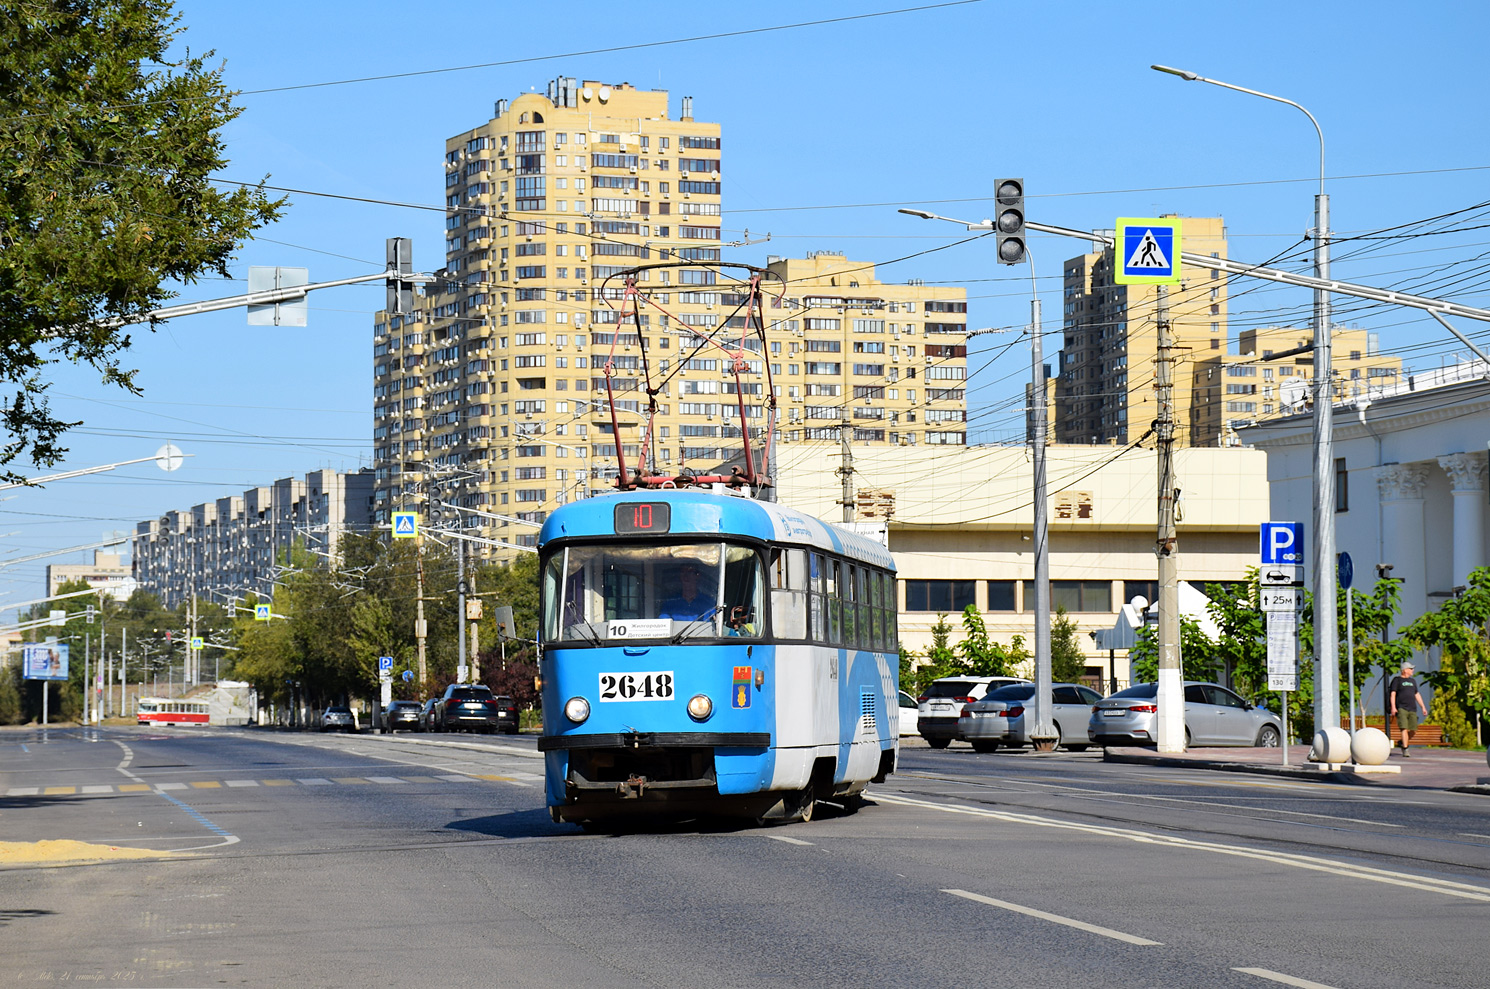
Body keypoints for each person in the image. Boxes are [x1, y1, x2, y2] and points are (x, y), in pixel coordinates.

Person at [1387, 661, 1429, 757]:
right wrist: (1393, 707)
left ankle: (1402, 742)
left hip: (1412, 708)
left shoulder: (1412, 681)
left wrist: (1423, 707)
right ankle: (1405, 749)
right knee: (1404, 729)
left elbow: (1417, 694)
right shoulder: (1397, 680)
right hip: (1402, 708)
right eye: (1411, 669)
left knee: (1413, 729)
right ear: (1405, 670)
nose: (1412, 670)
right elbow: (1393, 694)